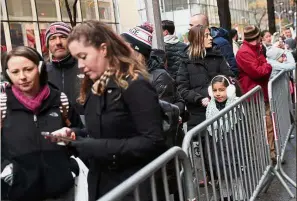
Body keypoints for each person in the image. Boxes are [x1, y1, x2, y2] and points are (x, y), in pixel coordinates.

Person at [51, 20, 167, 201]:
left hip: (134, 188)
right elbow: (102, 131)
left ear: (103, 49)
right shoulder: (94, 86)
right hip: (102, 185)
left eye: (83, 56)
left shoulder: (136, 84)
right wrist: (74, 135)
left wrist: (95, 147)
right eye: (76, 58)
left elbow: (153, 142)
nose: (80, 65)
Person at [1, 46, 82, 201]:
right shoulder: (2, 105)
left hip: (62, 191)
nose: (22, 77)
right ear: (7, 74)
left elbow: (80, 133)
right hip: (18, 193)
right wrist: (5, 170)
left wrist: (71, 167)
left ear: (39, 68)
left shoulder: (60, 100)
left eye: (28, 69)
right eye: (15, 72)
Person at [177, 24, 234, 131]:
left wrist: (227, 88)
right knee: (205, 147)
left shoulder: (217, 56)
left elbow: (229, 77)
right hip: (199, 117)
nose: (211, 38)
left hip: (222, 113)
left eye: (210, 35)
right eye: (206, 35)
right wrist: (199, 99)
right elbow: (182, 89)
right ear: (198, 39)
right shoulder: (186, 61)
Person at [236, 25, 276, 163]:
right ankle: (261, 158)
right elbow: (258, 72)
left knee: (269, 125)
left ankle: (271, 154)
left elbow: (263, 67)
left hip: (262, 92)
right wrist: (268, 66)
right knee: (257, 128)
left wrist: (266, 66)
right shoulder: (244, 52)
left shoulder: (257, 48)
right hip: (253, 95)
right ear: (257, 37)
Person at [206, 75, 245, 200]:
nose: (218, 93)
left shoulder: (237, 105)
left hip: (233, 151)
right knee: (222, 179)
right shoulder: (210, 108)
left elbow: (243, 132)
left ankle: (240, 198)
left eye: (221, 90)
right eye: (215, 90)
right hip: (217, 152)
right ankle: (225, 198)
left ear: (229, 90)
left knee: (235, 179)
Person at [45, 22, 84, 114]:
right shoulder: (43, 72)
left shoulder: (85, 67)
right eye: (52, 38)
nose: (58, 42)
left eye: (63, 37)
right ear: (48, 45)